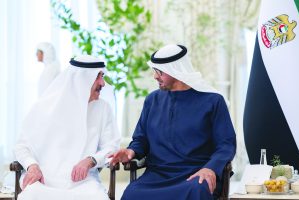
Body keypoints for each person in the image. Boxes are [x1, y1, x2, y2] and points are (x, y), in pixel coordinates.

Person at [110, 44, 236, 200]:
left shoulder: (213, 101)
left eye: (159, 72)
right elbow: (141, 139)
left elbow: (226, 144)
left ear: (175, 70)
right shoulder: (152, 100)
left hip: (195, 174)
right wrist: (131, 151)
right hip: (156, 176)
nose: (155, 76)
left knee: (197, 190)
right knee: (132, 193)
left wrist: (210, 168)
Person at [14, 55, 120, 200]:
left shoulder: (103, 108)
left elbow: (112, 147)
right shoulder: (45, 106)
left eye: (102, 76)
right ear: (81, 80)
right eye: (98, 77)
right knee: (31, 196)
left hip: (84, 183)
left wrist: (91, 160)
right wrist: (32, 166)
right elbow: (21, 146)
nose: (103, 83)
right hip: (44, 181)